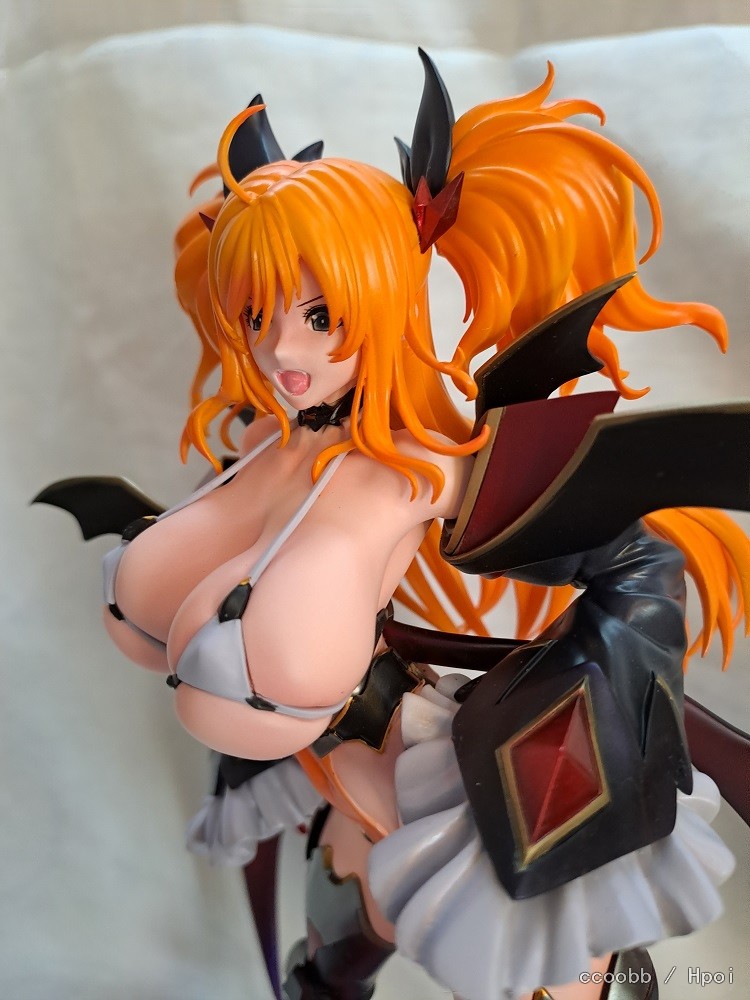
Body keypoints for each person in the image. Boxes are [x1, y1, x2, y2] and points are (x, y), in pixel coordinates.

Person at [101, 51, 748, 1000]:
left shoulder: (422, 472)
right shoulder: (259, 448)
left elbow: (631, 557)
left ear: (380, 298)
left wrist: (581, 709)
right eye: (258, 314)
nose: (282, 350)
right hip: (345, 807)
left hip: (467, 817)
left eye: (321, 316)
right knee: (324, 976)